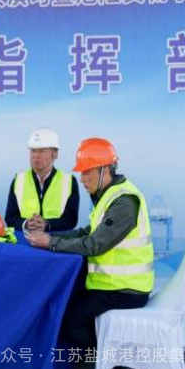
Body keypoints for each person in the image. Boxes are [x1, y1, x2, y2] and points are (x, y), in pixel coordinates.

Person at [27, 137, 154, 355]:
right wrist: (50, 235)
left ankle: (119, 356)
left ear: (105, 169)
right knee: (64, 304)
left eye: (87, 172)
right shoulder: (108, 196)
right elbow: (87, 233)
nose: (82, 179)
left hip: (125, 290)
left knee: (70, 324)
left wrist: (51, 243)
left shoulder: (124, 202)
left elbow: (95, 244)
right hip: (109, 285)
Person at [5, 127, 79, 233]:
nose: (36, 155)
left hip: (55, 240)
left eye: (42, 151)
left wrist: (47, 224)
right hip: (25, 240)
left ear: (55, 154)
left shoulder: (69, 182)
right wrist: (26, 223)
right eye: (33, 151)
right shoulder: (18, 181)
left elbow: (71, 220)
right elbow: (10, 218)